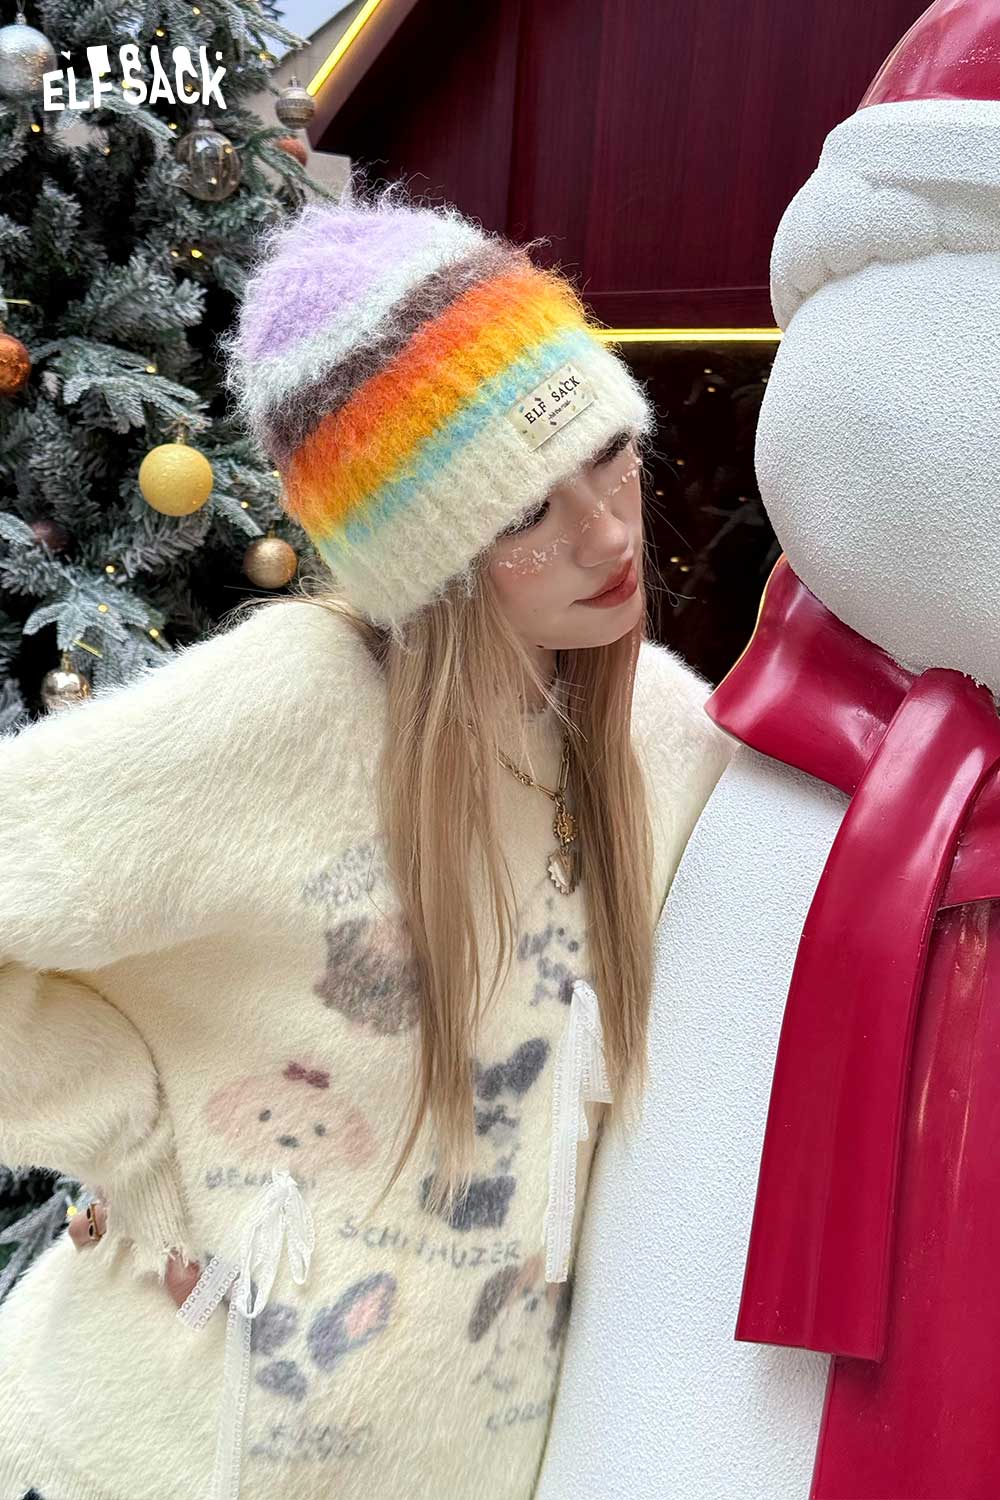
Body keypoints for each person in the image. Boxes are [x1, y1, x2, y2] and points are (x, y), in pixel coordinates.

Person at [0, 179, 731, 1500]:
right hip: (156, 1457)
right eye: (522, 513)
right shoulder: (289, 711)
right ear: (423, 560)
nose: (607, 530)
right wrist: (132, 1134)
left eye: (608, 449)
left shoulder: (669, 742)